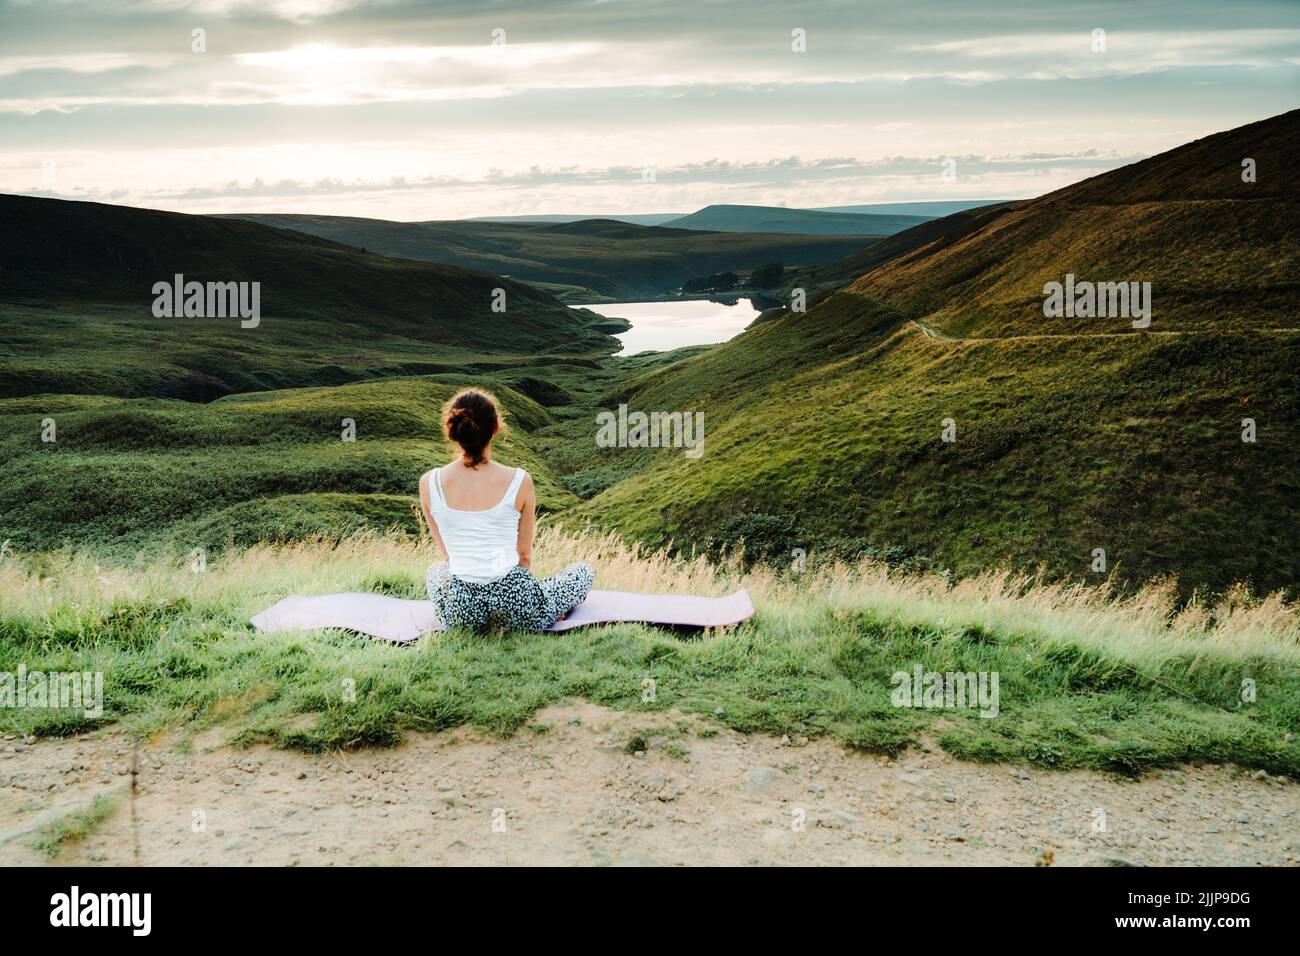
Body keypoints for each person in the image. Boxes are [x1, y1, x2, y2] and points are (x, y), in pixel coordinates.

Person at [420, 388, 594, 631]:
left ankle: (508, 612)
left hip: (460, 612)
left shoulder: (429, 482)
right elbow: (524, 558)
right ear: (495, 429)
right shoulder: (520, 481)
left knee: (436, 571)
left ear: (452, 431)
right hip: (516, 606)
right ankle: (545, 611)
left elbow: (447, 556)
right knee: (583, 572)